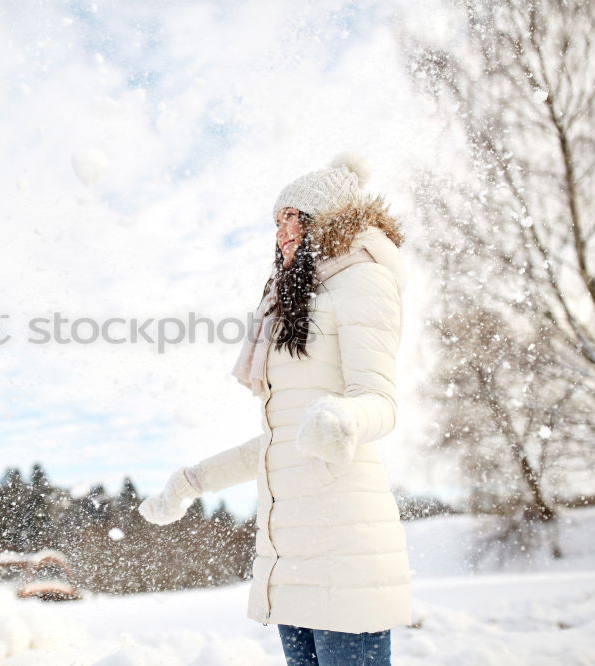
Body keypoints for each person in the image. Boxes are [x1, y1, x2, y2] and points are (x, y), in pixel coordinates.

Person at [139, 156, 410, 666]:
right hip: (288, 554)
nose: (282, 232)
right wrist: (191, 481)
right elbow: (277, 442)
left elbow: (381, 401)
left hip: (344, 544)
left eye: (296, 218)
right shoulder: (292, 302)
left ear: (327, 221)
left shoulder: (362, 281)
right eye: (277, 221)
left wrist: (344, 420)